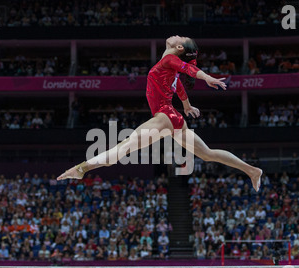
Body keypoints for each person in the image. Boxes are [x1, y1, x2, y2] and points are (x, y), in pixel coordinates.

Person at [57, 36, 262, 192]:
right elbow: (179, 85)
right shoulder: (168, 68)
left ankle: (81, 169)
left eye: (180, 37)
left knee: (125, 146)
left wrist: (206, 77)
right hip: (173, 118)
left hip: (165, 116)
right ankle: (252, 170)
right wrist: (187, 105)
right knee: (207, 154)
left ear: (178, 48)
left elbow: (188, 70)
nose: (175, 35)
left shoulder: (169, 61)